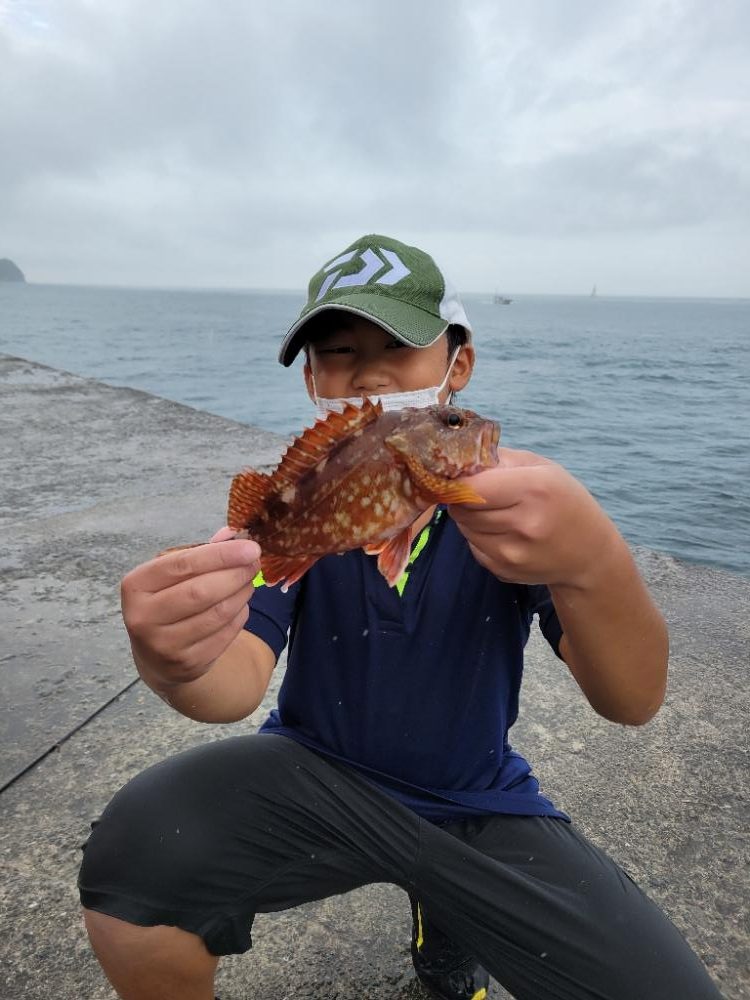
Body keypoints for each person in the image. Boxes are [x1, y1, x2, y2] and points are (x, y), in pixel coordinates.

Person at [78, 234, 722, 1000]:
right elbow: (231, 687)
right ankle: (443, 903)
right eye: (342, 350)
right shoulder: (305, 512)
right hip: (314, 775)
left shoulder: (522, 516)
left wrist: (594, 561)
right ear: (313, 377)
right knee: (132, 862)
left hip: (474, 800)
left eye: (401, 345)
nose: (374, 372)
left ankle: (445, 912)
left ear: (459, 365)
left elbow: (632, 698)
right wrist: (173, 661)